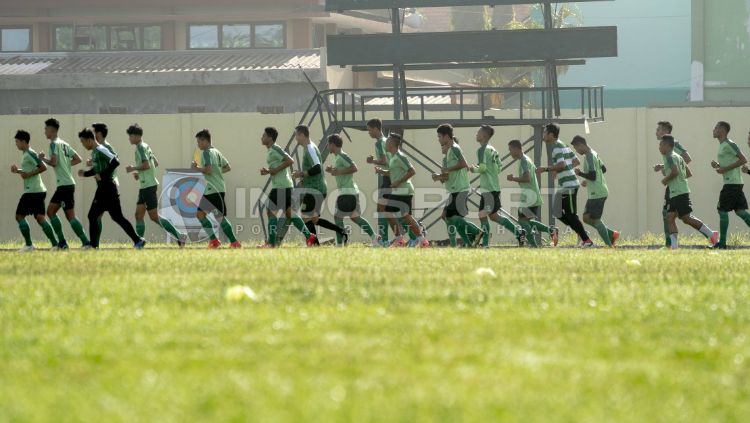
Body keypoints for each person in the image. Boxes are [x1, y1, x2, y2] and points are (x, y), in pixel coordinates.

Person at [77, 128, 145, 249]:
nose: (82, 145)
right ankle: (138, 240)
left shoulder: (101, 149)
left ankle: (93, 246)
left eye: (83, 142)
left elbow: (115, 161)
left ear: (89, 140)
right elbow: (97, 170)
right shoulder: (94, 152)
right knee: (115, 217)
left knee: (93, 216)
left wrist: (102, 176)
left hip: (107, 188)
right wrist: (85, 174)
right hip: (104, 188)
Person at [124, 124, 186, 247]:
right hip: (145, 185)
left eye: (130, 136)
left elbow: (147, 165)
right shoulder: (145, 146)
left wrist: (133, 168)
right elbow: (155, 163)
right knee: (138, 215)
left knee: (154, 217)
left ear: (136, 136)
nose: (129, 139)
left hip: (148, 186)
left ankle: (180, 235)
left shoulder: (141, 148)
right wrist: (140, 174)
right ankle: (139, 242)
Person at [654, 135, 718, 249]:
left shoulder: (669, 156)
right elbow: (688, 173)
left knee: (686, 218)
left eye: (661, 145)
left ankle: (712, 234)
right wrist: (670, 175)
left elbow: (675, 172)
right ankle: (674, 246)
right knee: (670, 217)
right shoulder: (678, 157)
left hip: (679, 192)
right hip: (677, 191)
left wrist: (665, 180)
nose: (659, 147)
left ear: (668, 146)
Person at [536, 123, 593, 247]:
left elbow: (562, 165)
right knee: (557, 212)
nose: (543, 135)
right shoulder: (563, 145)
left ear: (551, 134)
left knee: (570, 214)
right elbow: (576, 161)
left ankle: (587, 240)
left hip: (570, 186)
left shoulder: (556, 147)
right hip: (565, 186)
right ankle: (581, 232)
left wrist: (546, 169)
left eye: (545, 132)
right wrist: (561, 170)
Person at [259, 126, 317, 247]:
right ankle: (309, 236)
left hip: (281, 186)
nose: (262, 137)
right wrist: (269, 171)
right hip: (284, 185)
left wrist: (274, 170)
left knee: (270, 211)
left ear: (270, 138)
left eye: (264, 136)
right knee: (290, 213)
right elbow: (278, 167)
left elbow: (290, 160)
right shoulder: (271, 150)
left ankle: (271, 243)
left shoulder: (275, 148)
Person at [37, 117, 90, 249]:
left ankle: (63, 243)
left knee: (50, 212)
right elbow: (78, 159)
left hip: (64, 185)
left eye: (45, 129)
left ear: (51, 130)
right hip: (68, 184)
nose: (44, 131)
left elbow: (54, 162)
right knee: (68, 215)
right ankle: (84, 242)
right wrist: (66, 165)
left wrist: (43, 159)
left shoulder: (54, 144)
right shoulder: (64, 143)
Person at [468, 124, 525, 247]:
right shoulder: (493, 149)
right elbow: (499, 167)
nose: (476, 134)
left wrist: (474, 169)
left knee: (482, 215)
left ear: (483, 135)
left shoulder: (482, 150)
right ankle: (519, 232)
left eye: (478, 132)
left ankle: (485, 243)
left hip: (488, 188)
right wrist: (490, 173)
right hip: (494, 187)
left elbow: (482, 168)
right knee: (493, 216)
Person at [291, 125, 347, 245]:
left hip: (314, 189)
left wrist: (300, 173)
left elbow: (317, 168)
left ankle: (314, 244)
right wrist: (303, 179)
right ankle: (341, 231)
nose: (295, 138)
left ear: (302, 135)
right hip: (317, 187)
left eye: (296, 135)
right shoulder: (311, 147)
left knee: (305, 218)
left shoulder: (310, 148)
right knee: (314, 219)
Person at [433, 124, 484, 248]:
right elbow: (447, 177)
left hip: (460, 188)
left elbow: (464, 165)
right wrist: (439, 176)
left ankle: (476, 232)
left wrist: (446, 170)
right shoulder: (450, 152)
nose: (438, 140)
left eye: (439, 136)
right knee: (449, 218)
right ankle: (467, 242)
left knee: (450, 217)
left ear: (446, 136)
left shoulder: (455, 148)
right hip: (455, 190)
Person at [375, 133, 429, 247]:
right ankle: (418, 239)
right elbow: (392, 173)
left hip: (404, 190)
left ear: (393, 143)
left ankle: (403, 239)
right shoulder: (394, 157)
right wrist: (381, 171)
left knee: (392, 212)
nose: (386, 143)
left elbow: (412, 170)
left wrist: (398, 182)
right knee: (404, 215)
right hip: (400, 190)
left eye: (388, 141)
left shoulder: (400, 156)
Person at [326, 134, 380, 246]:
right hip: (350, 191)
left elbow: (354, 167)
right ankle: (374, 237)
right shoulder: (338, 157)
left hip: (347, 192)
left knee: (338, 217)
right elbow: (342, 171)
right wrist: (332, 170)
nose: (327, 146)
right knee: (355, 217)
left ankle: (340, 244)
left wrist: (338, 172)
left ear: (332, 144)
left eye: (328, 144)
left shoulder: (342, 155)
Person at [190, 129, 241, 249]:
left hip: (213, 190)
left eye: (199, 142)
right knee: (200, 213)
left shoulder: (207, 153)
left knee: (219, 217)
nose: (198, 145)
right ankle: (214, 241)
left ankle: (234, 242)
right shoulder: (216, 151)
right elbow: (227, 167)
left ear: (205, 140)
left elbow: (208, 170)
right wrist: (216, 174)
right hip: (213, 189)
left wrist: (196, 168)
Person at [11, 130, 60, 251]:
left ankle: (29, 245)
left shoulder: (30, 153)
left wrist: (27, 175)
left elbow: (43, 167)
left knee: (19, 216)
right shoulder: (25, 154)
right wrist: (18, 171)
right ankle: (55, 244)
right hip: (37, 190)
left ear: (23, 142)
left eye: (17, 142)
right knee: (40, 218)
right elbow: (29, 172)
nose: (16, 144)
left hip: (32, 191)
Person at [571, 136, 620, 247]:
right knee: (587, 218)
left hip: (597, 193)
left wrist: (580, 174)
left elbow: (593, 175)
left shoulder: (589, 156)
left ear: (581, 145)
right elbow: (603, 169)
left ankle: (609, 245)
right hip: (598, 191)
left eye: (576, 148)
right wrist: (589, 181)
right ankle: (612, 234)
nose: (577, 151)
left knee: (593, 219)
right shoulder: (594, 153)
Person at [507, 139, 557, 248]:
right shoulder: (527, 159)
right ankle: (551, 231)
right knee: (526, 221)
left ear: (516, 149)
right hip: (532, 194)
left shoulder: (524, 160)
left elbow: (527, 178)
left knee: (522, 222)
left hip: (529, 196)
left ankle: (534, 246)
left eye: (510, 150)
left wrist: (513, 179)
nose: (509, 152)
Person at [709, 121, 750, 249]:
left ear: (722, 130)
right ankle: (722, 243)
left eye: (715, 127)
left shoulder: (729, 144)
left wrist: (724, 169)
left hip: (731, 184)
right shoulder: (722, 145)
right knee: (740, 212)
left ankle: (722, 243)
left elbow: (743, 159)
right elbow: (729, 165)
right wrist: (719, 166)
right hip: (734, 183)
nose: (713, 130)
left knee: (721, 210)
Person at [656, 121, 692, 248]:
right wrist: (663, 166)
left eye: (658, 129)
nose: (656, 132)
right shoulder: (665, 148)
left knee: (674, 215)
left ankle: (669, 244)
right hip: (674, 183)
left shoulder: (674, 144)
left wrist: (674, 173)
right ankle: (670, 244)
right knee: (672, 215)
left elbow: (687, 158)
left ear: (665, 130)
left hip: (676, 184)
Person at [365, 118, 392, 245]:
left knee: (382, 209)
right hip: (392, 177)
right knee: (387, 209)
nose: (369, 133)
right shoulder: (387, 141)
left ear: (376, 129)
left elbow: (385, 161)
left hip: (389, 178)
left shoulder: (380, 143)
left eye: (369, 130)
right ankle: (384, 239)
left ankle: (384, 240)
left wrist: (373, 161)